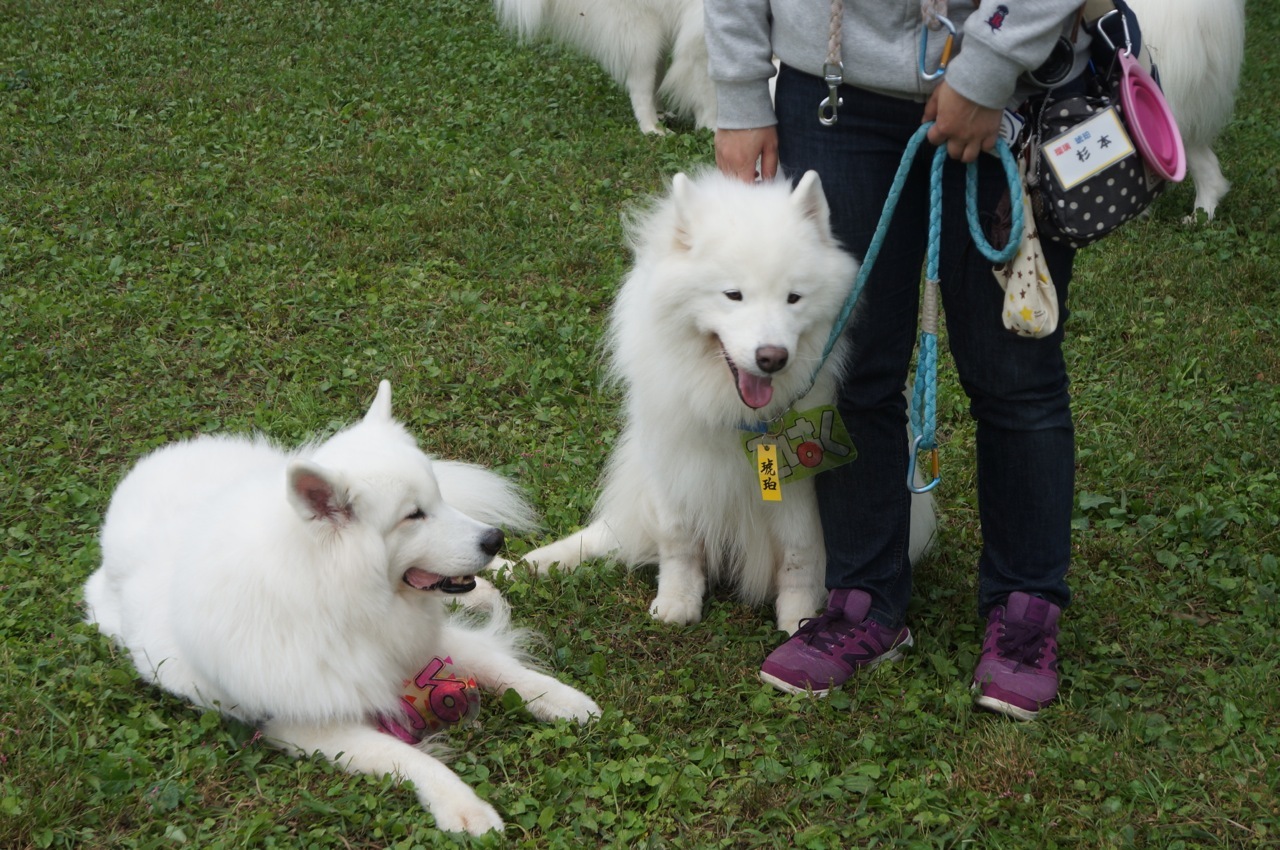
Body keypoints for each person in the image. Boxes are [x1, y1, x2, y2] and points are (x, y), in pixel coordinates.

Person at [705, 0, 1092, 720]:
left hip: (1009, 96)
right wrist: (736, 95)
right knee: (844, 370)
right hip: (830, 96)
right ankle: (860, 597)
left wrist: (987, 68)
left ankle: (1026, 610)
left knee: (1017, 376)